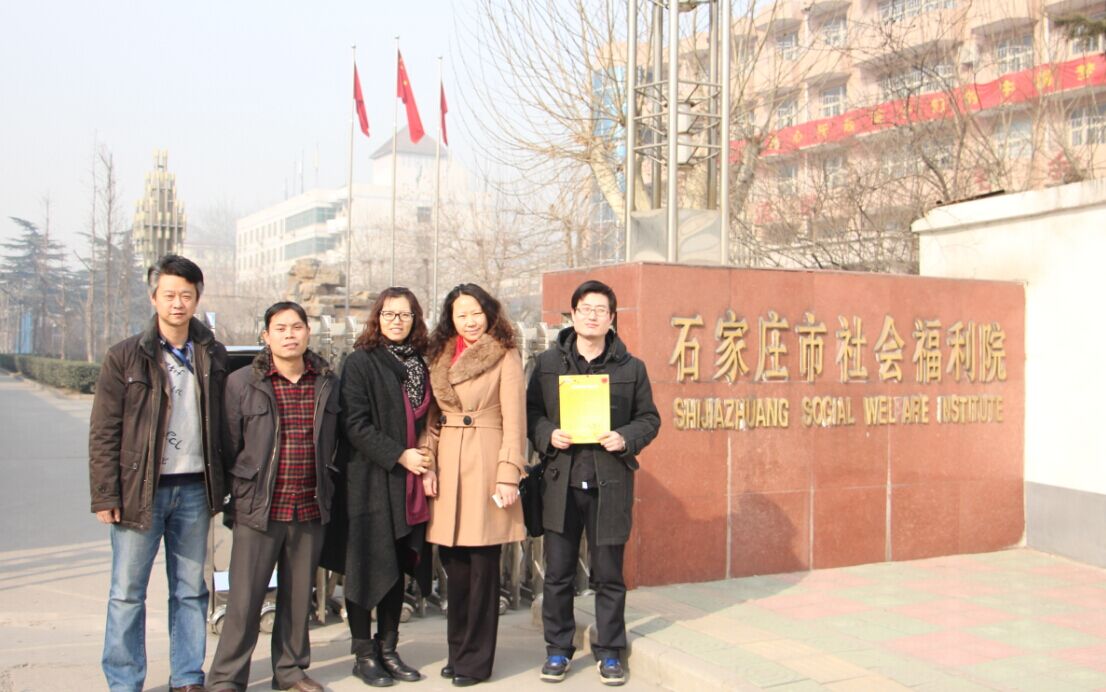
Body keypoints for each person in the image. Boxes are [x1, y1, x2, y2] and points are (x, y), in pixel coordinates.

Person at [89, 254, 227, 692]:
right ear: (153, 298)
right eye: (169, 295)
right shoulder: (125, 356)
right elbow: (104, 430)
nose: (177, 303)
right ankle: (124, 681)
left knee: (190, 590)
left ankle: (187, 677)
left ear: (197, 299)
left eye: (186, 295)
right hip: (139, 491)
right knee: (127, 593)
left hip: (195, 490)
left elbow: (225, 423)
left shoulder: (212, 354)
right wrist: (105, 494)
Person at [526, 279, 660, 687]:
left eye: (601, 310)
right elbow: (530, 413)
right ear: (573, 314)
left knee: (608, 575)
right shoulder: (548, 364)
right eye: (585, 308)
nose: (592, 316)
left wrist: (626, 437)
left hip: (609, 483)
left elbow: (649, 418)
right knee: (558, 574)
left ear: (611, 318)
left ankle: (610, 652)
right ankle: (558, 649)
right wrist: (547, 433)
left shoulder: (631, 367)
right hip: (560, 482)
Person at [206, 301, 339, 692]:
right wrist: (234, 497)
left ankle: (290, 671)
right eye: (280, 328)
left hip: (309, 505)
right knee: (244, 600)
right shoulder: (243, 382)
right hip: (260, 507)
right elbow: (228, 445)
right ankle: (227, 677)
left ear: (308, 332)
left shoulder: (327, 382)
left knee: (298, 598)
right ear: (266, 336)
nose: (289, 335)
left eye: (296, 327)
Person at [324, 287, 434, 687]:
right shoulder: (360, 361)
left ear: (415, 319)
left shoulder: (422, 363)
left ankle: (389, 648)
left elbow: (428, 420)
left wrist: (423, 457)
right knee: (366, 564)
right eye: (389, 314)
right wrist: (399, 455)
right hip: (369, 481)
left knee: (398, 564)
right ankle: (363, 653)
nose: (396, 321)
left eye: (404, 315)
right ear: (377, 318)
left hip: (409, 484)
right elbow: (354, 424)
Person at [421, 284, 526, 687]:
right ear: (451, 318)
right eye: (461, 314)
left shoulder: (504, 353)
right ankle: (458, 652)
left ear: (489, 313)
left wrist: (508, 473)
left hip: (486, 460)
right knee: (455, 569)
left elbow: (514, 420)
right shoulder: (440, 354)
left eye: (476, 313)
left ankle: (476, 661)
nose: (470, 321)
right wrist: (428, 465)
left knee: (483, 567)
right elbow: (431, 420)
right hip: (448, 463)